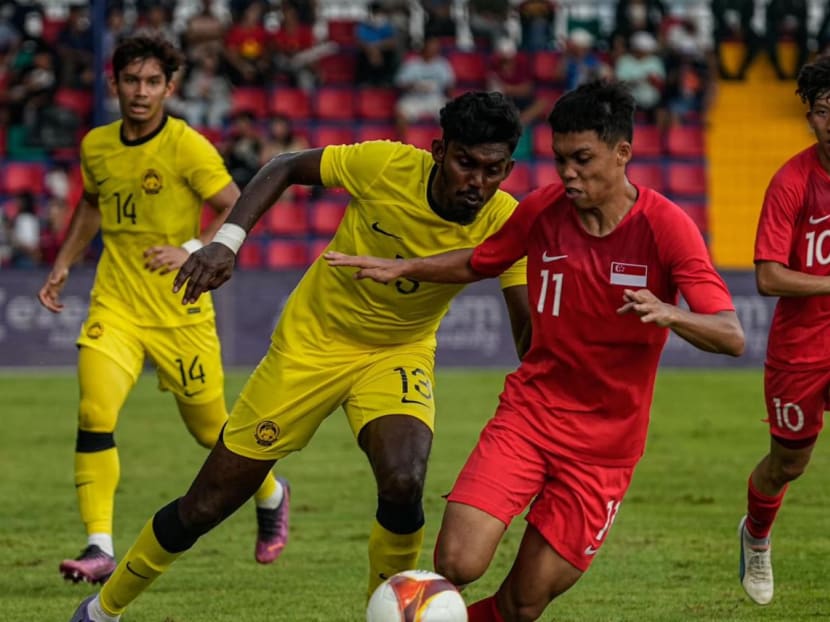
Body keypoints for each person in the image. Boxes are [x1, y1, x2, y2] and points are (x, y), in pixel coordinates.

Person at [67, 91, 530, 622]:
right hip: (311, 344)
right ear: (438, 150)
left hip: (397, 353)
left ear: (508, 169)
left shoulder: (506, 221)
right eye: (465, 163)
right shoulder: (385, 164)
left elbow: (528, 337)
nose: (476, 181)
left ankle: (389, 614)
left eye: (492, 170)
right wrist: (226, 242)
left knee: (404, 480)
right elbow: (286, 167)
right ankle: (102, 611)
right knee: (207, 505)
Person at [325, 79, 745, 621]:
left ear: (623, 153)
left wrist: (672, 313)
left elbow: (731, 334)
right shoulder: (544, 209)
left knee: (523, 604)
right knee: (457, 560)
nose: (567, 173)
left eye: (582, 159)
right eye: (559, 159)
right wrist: (406, 266)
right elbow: (480, 260)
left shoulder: (667, 228)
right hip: (529, 417)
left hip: (604, 451)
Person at [37, 35, 288, 588]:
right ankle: (100, 546)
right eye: (131, 81)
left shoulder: (188, 147)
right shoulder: (97, 146)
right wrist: (63, 263)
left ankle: (271, 492)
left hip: (181, 313)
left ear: (170, 88)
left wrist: (194, 249)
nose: (141, 92)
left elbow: (236, 206)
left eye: (153, 82)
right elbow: (91, 204)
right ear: (114, 83)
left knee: (210, 432)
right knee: (94, 412)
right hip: (117, 305)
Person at [738, 55, 830, 607]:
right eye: (823, 111)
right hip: (801, 350)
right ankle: (757, 535)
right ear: (810, 118)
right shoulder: (792, 182)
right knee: (788, 463)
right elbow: (769, 277)